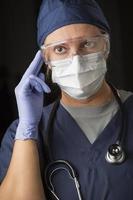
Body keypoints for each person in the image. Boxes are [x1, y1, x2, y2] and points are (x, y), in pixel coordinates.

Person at [0, 0, 133, 199]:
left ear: (106, 47)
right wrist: (27, 133)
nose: (76, 60)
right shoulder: (20, 135)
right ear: (47, 60)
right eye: (60, 49)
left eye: (87, 44)